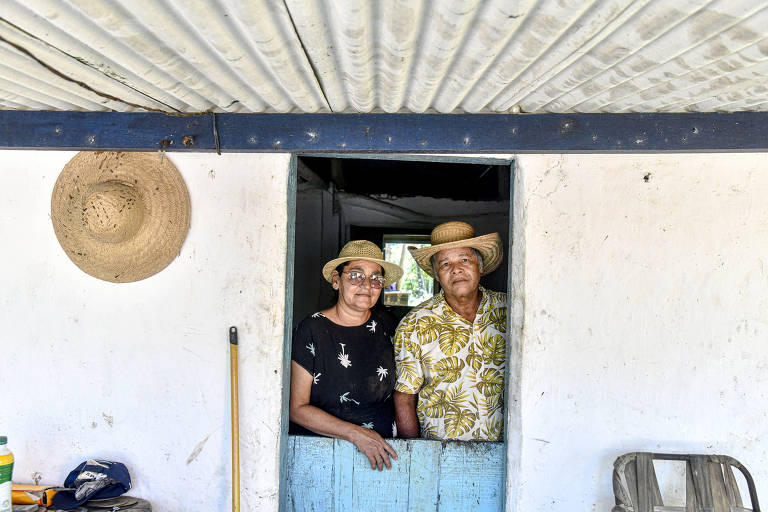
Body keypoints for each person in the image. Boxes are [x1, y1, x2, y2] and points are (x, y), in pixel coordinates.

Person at [289, 240, 404, 470]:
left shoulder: (389, 327)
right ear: (335, 280)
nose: (367, 285)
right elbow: (297, 408)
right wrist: (356, 434)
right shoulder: (311, 330)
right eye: (355, 276)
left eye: (376, 278)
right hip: (323, 459)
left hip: (386, 458)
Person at [393, 221, 507, 441]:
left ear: (480, 266)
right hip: (441, 458)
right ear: (437, 275)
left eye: (465, 259)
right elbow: (405, 397)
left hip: (508, 454)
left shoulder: (510, 312)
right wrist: (416, 457)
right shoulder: (414, 324)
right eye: (445, 264)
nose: (456, 269)